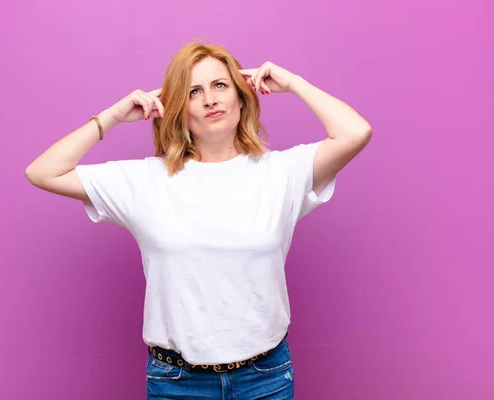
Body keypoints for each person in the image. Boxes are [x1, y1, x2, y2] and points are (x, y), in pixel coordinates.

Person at [25, 42, 372, 399]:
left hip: (265, 378)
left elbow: (355, 132)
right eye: (194, 91)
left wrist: (294, 83)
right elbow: (43, 172)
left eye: (220, 85)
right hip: (177, 382)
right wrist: (112, 115)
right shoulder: (144, 181)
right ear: (178, 109)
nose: (210, 99)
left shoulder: (282, 173)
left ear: (242, 96)